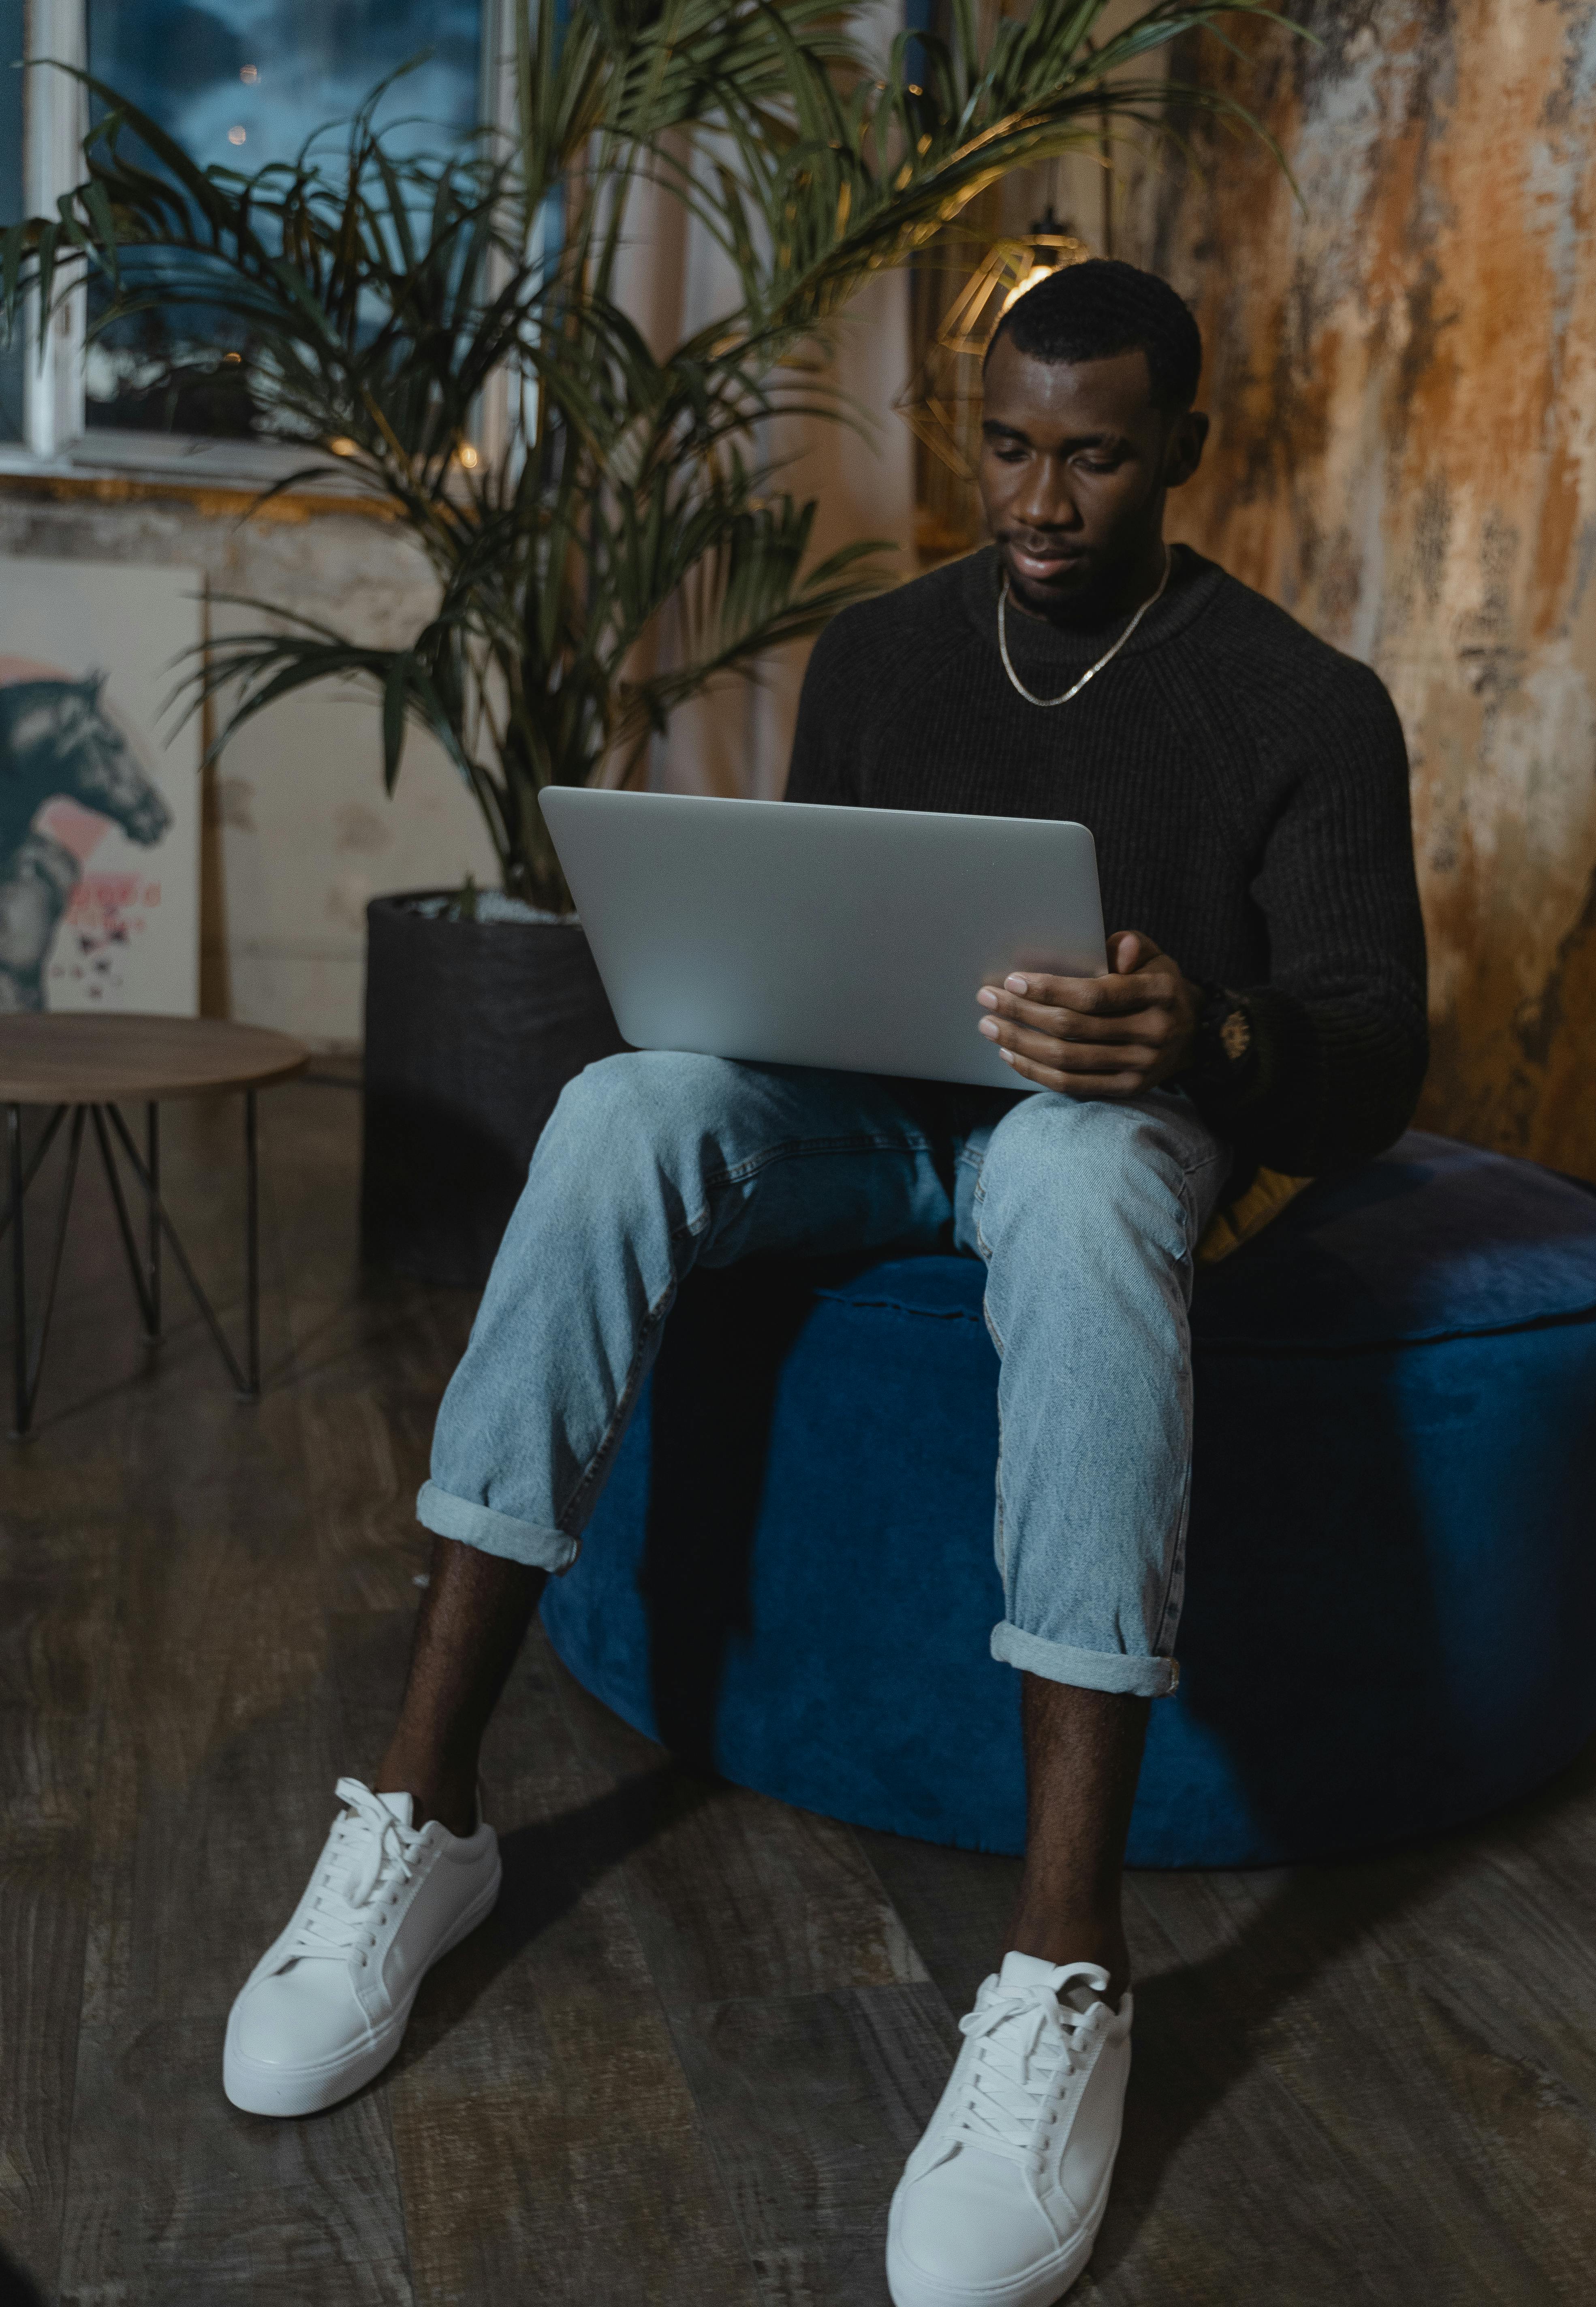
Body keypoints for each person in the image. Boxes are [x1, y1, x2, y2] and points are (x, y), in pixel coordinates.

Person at [220, 259, 1427, 2307]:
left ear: (1187, 454)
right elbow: (817, 937)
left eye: (1098, 456)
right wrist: (741, 996)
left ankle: (1062, 1971)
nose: (1041, 500)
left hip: (1097, 1153)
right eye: (1010, 447)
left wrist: (1206, 1040)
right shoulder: (882, 655)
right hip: (869, 1121)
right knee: (623, 1105)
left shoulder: (1304, 703)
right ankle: (422, 1814)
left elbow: (1374, 1058)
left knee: (1070, 1168)